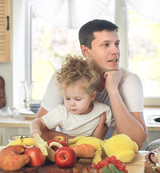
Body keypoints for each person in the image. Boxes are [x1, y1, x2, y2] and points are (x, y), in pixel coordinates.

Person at [36, 19, 148, 149]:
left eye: (116, 44)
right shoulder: (64, 78)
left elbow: (137, 139)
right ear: (85, 50)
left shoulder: (129, 81)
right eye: (106, 45)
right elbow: (39, 132)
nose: (116, 51)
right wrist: (90, 144)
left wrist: (113, 90)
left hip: (117, 158)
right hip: (76, 155)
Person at [30, 55, 114, 138]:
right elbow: (37, 121)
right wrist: (35, 130)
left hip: (92, 151)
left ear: (92, 96)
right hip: (64, 149)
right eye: (67, 98)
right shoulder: (61, 112)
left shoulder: (103, 111)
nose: (71, 104)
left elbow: (120, 129)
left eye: (77, 99)